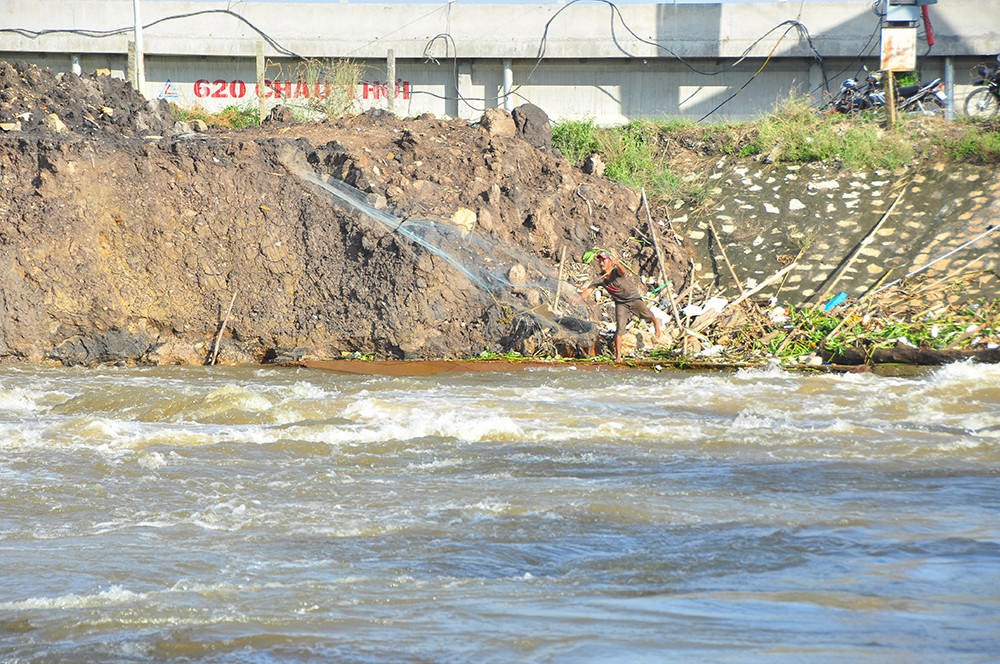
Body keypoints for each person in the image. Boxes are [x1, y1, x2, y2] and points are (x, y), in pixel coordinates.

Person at [572, 251, 661, 363]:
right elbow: (589, 290)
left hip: (633, 298)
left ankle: (656, 324)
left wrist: (618, 264)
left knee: (646, 314)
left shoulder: (615, 272)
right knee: (619, 329)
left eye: (604, 260)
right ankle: (618, 356)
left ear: (610, 262)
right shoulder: (600, 278)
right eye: (600, 261)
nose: (601, 263)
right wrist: (579, 299)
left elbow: (623, 271)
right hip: (621, 303)